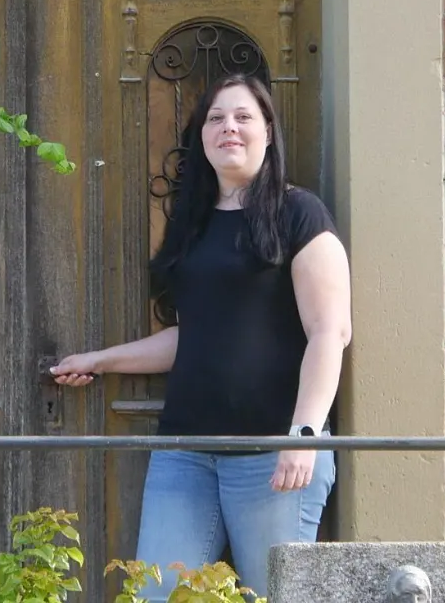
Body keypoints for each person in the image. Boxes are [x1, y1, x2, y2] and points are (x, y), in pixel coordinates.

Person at [50, 73, 352, 601]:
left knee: (274, 595)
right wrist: (100, 360)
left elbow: (330, 331)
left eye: (242, 117)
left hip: (271, 454)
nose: (228, 127)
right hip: (185, 452)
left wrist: (302, 436)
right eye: (215, 118)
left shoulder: (300, 214)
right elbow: (194, 337)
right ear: (202, 136)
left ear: (268, 132)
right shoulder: (193, 224)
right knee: (157, 594)